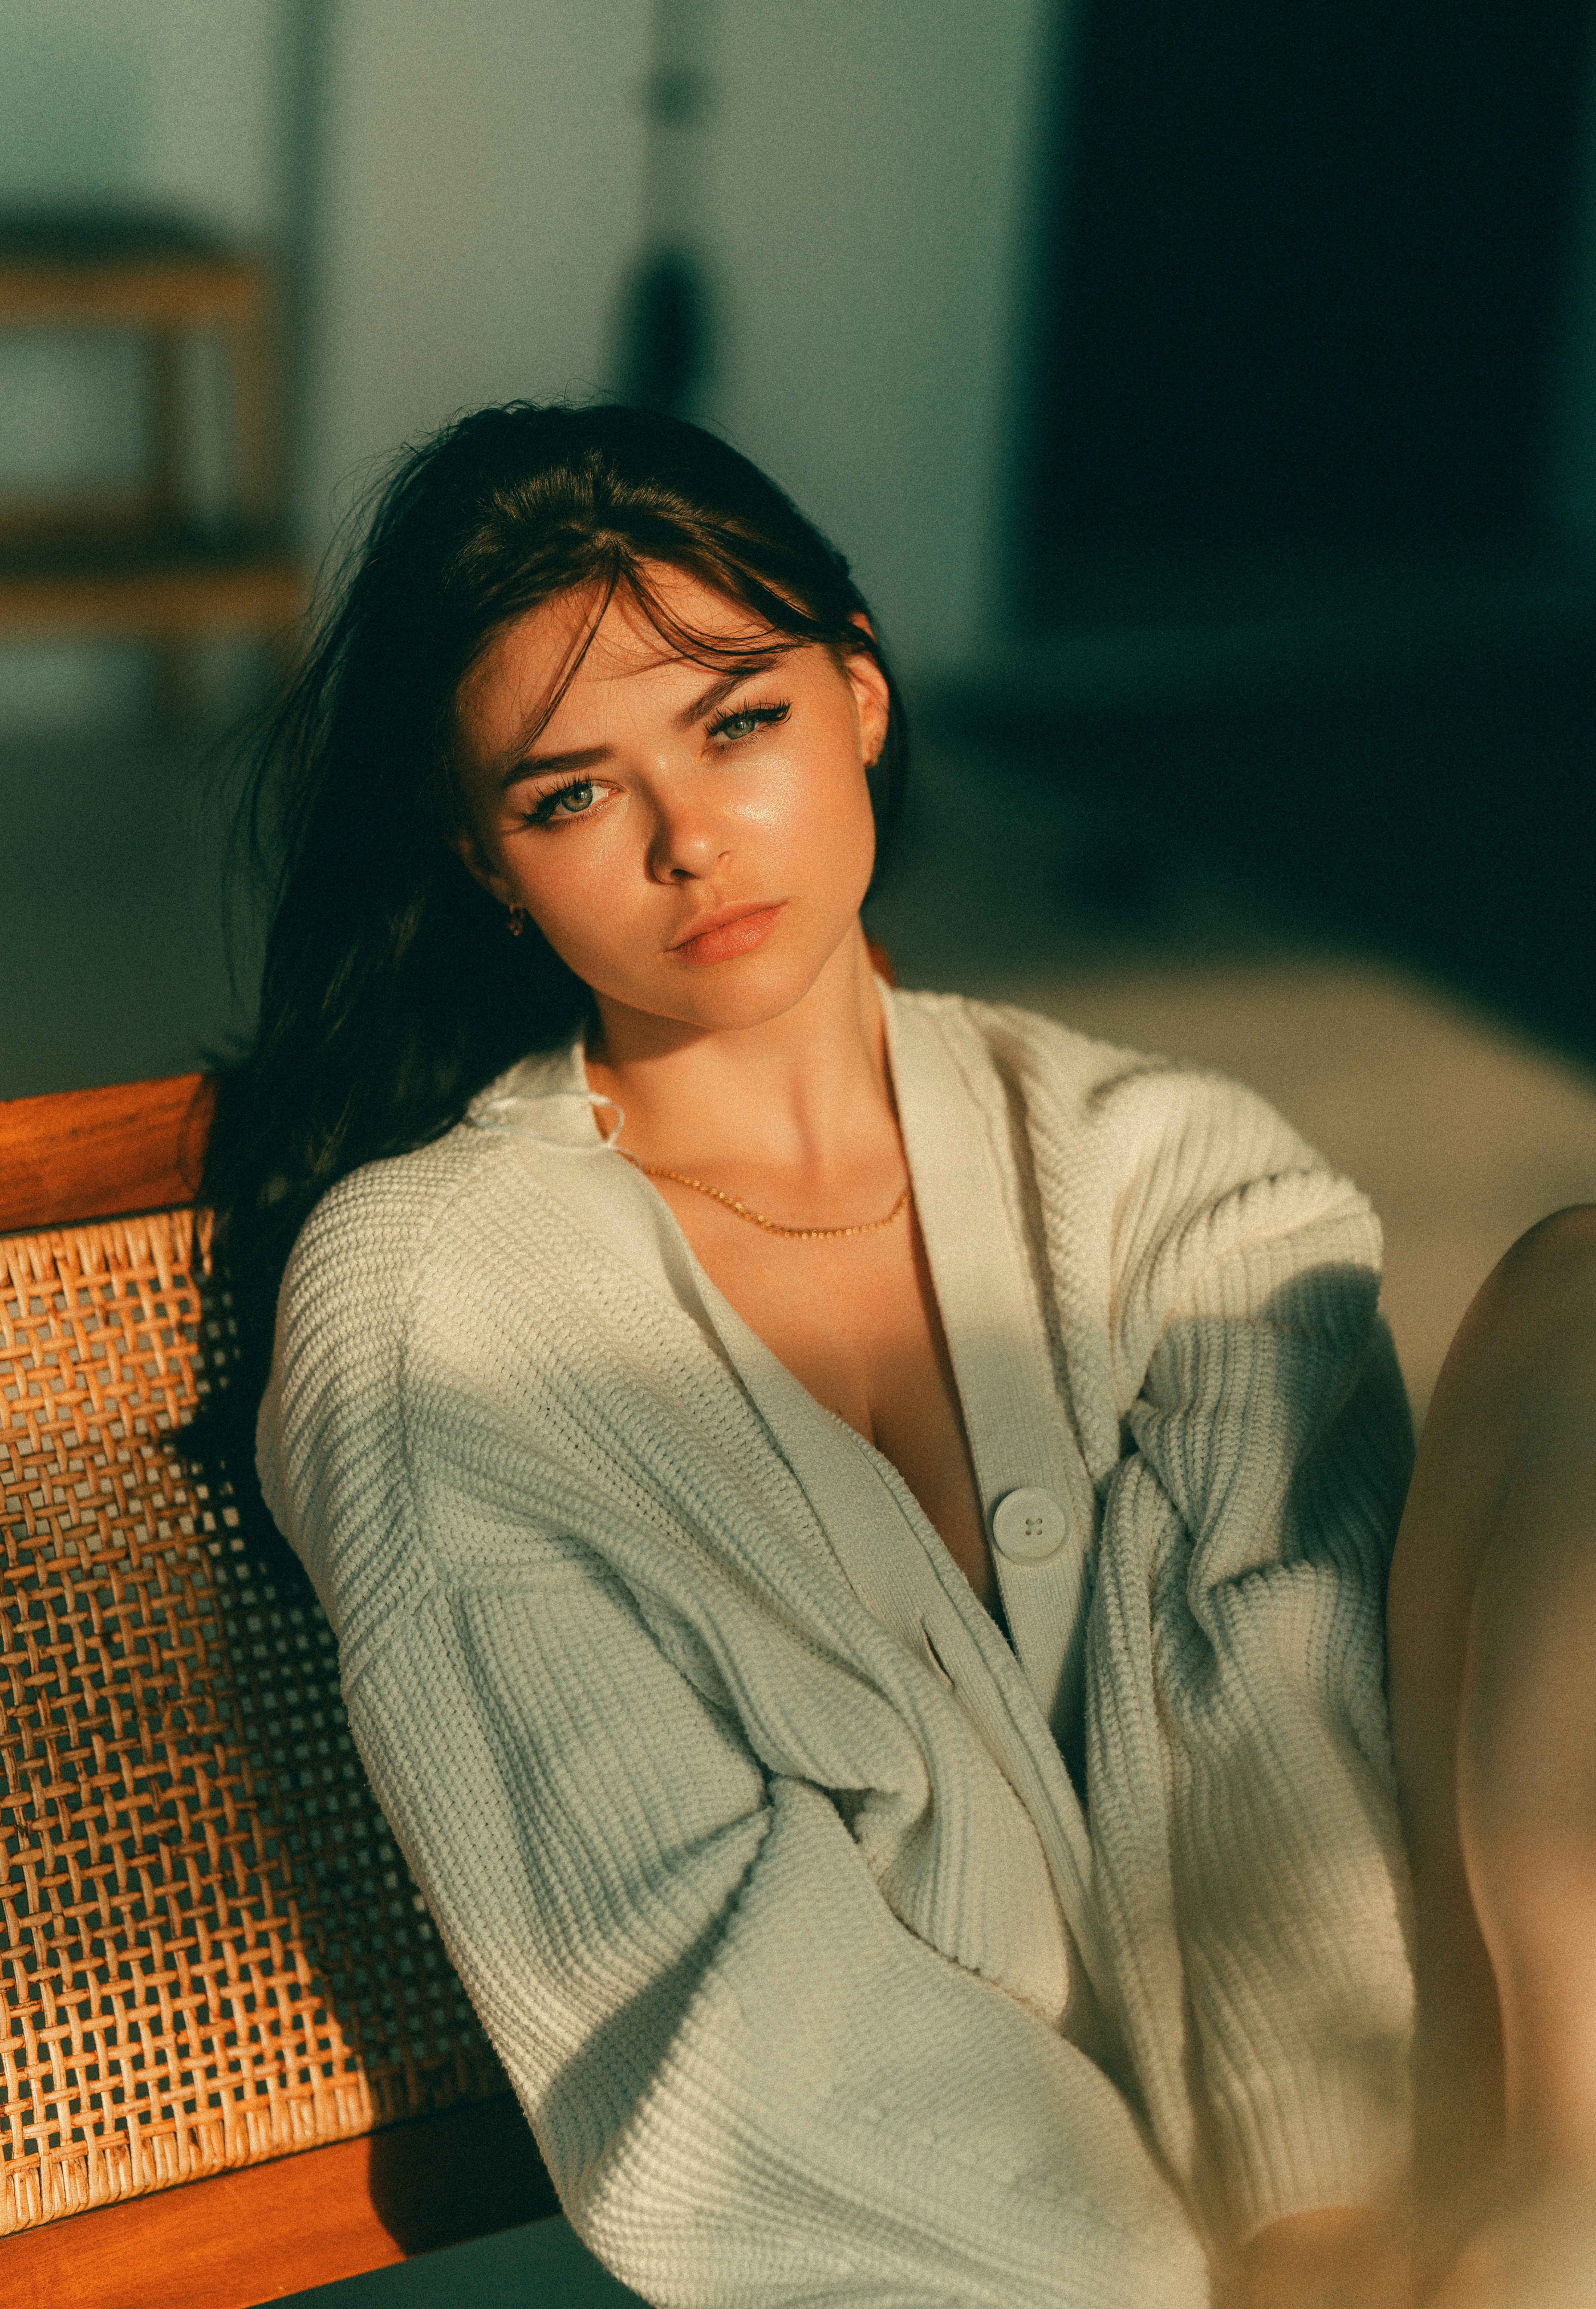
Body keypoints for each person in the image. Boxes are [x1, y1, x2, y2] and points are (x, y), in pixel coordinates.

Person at [200, 402, 1596, 2308]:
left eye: (736, 719)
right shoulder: (434, 1307)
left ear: (857, 697)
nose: (692, 840)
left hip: (1381, 2220)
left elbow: (1268, 1724)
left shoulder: (1171, 1169)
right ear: (482, 856)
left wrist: (1322, 2228)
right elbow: (695, 1981)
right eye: (572, 794)